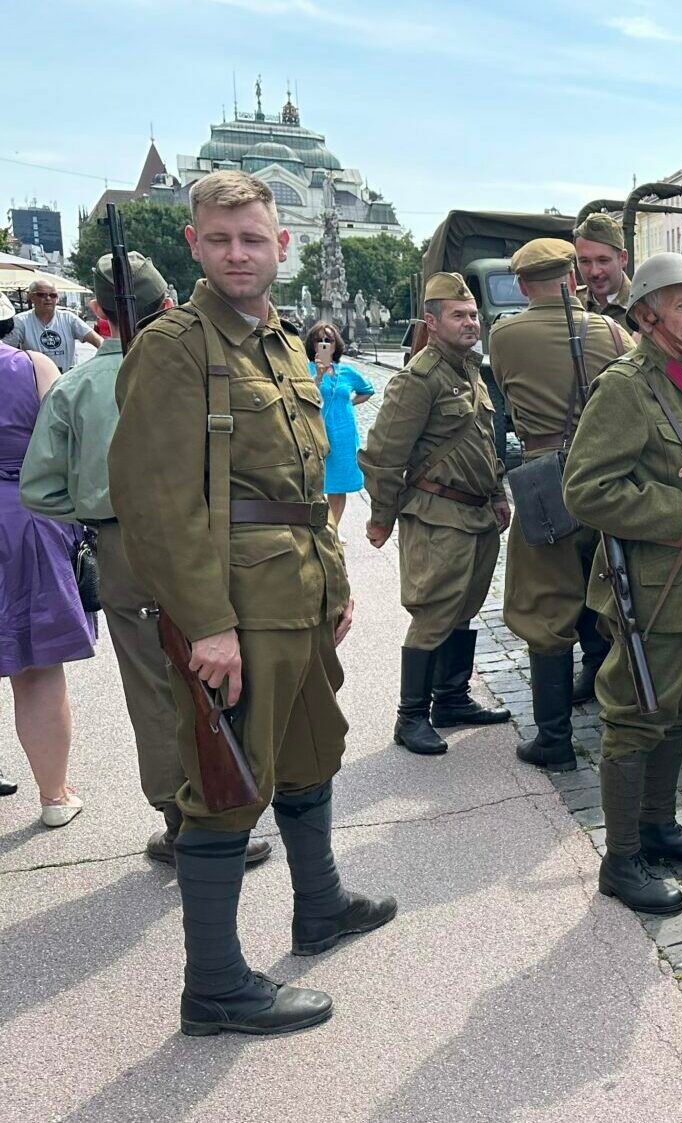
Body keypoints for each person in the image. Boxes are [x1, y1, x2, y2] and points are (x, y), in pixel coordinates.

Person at [110, 169, 392, 1036]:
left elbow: (306, 484)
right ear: (193, 243)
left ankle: (319, 904)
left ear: (283, 245)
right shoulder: (174, 346)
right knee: (226, 785)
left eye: (254, 238)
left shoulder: (280, 345)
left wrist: (335, 586)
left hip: (298, 595)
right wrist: (209, 624)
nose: (240, 253)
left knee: (312, 751)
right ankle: (218, 985)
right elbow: (157, 502)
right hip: (238, 605)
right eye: (222, 238)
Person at [20, 254, 277, 860]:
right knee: (225, 675)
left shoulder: (76, 385)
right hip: (210, 542)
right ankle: (225, 808)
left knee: (152, 690)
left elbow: (39, 489)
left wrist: (94, 511)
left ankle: (180, 819)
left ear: (99, 315)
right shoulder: (203, 366)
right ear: (168, 305)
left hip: (123, 548)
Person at [562, 252, 682, 915]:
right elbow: (584, 490)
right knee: (635, 715)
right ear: (645, 314)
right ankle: (621, 859)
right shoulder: (627, 385)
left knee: (675, 710)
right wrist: (679, 508)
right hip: (650, 583)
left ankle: (659, 825)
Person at [487, 237, 631, 771]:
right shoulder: (614, 332)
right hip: (604, 475)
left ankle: (554, 739)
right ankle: (611, 705)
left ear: (523, 284)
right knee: (607, 589)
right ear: (572, 278)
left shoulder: (505, 335)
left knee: (546, 606)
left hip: (544, 478)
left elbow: (504, 390)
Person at [360, 272, 513, 756]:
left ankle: (452, 698)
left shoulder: (469, 371)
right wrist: (382, 516)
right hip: (436, 514)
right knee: (433, 613)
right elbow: (385, 453)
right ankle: (411, 717)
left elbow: (485, 444)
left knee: (464, 610)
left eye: (473, 315)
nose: (471, 323)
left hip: (475, 514)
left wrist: (497, 494)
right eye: (459, 316)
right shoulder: (419, 379)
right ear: (432, 321)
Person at [0, 292, 91, 829]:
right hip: (28, 520)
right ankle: (54, 796)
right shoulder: (35, 365)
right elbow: (66, 447)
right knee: (35, 668)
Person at [305, 321, 373, 527]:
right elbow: (304, 395)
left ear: (335, 345)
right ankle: (317, 527)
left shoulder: (347, 371)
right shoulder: (304, 369)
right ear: (313, 345)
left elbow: (367, 390)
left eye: (329, 340)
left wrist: (349, 404)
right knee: (315, 482)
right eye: (319, 340)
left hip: (343, 433)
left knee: (338, 484)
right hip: (316, 431)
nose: (324, 343)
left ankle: (333, 528)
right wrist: (318, 376)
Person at [5, 278, 104, 372]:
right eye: (41, 295)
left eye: (53, 295)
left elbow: (97, 340)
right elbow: (5, 350)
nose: (48, 298)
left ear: (57, 298)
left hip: (66, 379)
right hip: (36, 380)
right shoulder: (21, 321)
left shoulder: (68, 318)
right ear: (31, 297)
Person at [574, 213, 632, 319]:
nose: (594, 272)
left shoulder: (644, 306)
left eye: (603, 260)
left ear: (623, 258)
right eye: (585, 261)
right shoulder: (572, 306)